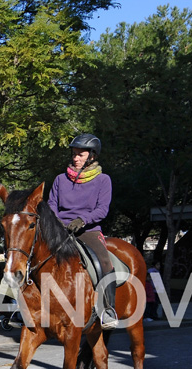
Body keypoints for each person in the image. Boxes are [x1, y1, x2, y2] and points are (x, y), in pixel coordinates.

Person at [47, 133, 117, 329]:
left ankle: (108, 309)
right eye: (74, 154)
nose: (76, 158)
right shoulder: (60, 179)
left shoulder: (103, 180)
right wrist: (56, 221)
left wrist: (83, 220)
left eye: (81, 155)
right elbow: (52, 203)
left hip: (88, 229)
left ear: (92, 156)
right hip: (60, 228)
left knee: (104, 261)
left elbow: (102, 209)